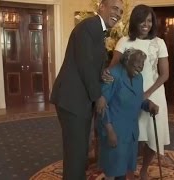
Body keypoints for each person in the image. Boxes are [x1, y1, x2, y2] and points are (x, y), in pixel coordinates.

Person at [49, 0, 123, 179]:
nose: (118, 13)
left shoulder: (98, 30)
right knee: (76, 154)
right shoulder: (89, 26)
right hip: (72, 100)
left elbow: (90, 61)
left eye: (121, 11)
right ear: (102, 7)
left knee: (79, 152)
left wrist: (102, 72)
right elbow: (84, 65)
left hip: (78, 100)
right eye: (114, 8)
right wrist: (98, 96)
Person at [102, 4, 170, 179]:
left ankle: (144, 169)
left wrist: (147, 94)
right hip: (127, 93)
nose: (146, 24)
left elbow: (165, 74)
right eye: (142, 20)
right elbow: (114, 66)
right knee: (131, 133)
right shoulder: (124, 41)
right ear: (135, 21)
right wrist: (106, 78)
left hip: (153, 93)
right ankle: (127, 168)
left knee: (152, 138)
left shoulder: (159, 43)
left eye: (149, 20)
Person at [97, 48, 159, 180]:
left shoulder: (138, 77)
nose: (140, 66)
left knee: (123, 168)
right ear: (126, 61)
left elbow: (137, 98)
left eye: (142, 63)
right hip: (115, 129)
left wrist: (148, 104)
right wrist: (109, 130)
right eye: (137, 62)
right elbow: (102, 106)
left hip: (130, 131)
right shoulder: (113, 75)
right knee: (114, 169)